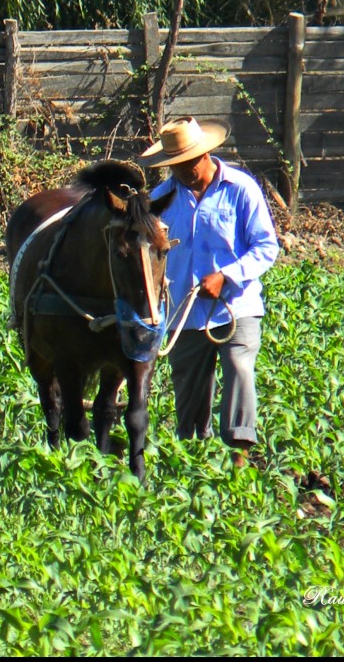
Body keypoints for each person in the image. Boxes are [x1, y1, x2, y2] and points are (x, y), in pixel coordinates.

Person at [140, 116, 280, 465]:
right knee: (189, 391)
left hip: (235, 307)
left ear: (205, 154)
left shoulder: (240, 188)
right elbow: (147, 258)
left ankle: (239, 455)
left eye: (189, 162)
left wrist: (226, 276)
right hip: (184, 314)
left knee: (239, 367)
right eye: (176, 165)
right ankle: (194, 458)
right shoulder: (160, 199)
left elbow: (265, 246)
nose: (184, 170)